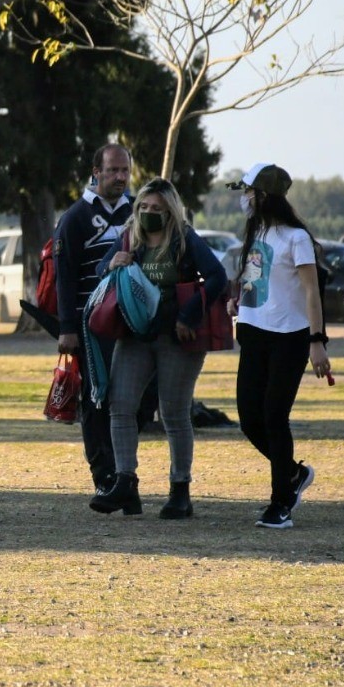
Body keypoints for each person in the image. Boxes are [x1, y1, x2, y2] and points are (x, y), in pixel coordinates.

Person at [89, 178, 227, 518]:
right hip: (135, 335)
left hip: (178, 337)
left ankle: (180, 490)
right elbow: (99, 270)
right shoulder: (129, 235)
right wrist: (111, 264)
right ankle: (125, 482)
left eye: (157, 209)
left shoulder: (183, 238)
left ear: (171, 211)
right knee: (120, 406)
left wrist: (189, 315)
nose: (149, 214)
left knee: (174, 413)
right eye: (144, 208)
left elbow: (217, 276)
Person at [226, 163, 329, 530]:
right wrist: (238, 299)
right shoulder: (257, 231)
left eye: (249, 191)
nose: (244, 198)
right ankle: (293, 474)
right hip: (253, 333)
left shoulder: (296, 238)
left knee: (273, 415)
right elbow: (255, 276)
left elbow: (311, 292)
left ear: (264, 195)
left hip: (290, 338)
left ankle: (280, 503)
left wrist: (318, 341)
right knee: (249, 418)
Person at [54, 144, 135, 496]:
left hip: (131, 325)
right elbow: (65, 275)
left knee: (130, 399)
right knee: (96, 398)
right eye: (113, 170)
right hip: (91, 327)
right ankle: (103, 476)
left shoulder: (137, 211)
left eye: (125, 171)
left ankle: (125, 472)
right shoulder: (76, 217)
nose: (120, 177)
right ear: (96, 171)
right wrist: (67, 328)